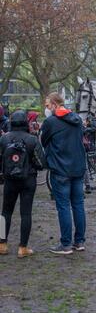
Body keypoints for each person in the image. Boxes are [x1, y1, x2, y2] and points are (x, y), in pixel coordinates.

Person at [41, 93, 87, 255]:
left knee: (63, 206)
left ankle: (66, 244)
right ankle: (80, 241)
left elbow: (43, 141)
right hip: (78, 167)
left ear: (54, 104)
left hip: (60, 169)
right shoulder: (76, 119)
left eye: (47, 105)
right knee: (78, 205)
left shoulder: (50, 122)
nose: (46, 108)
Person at [0, 110, 46, 258]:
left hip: (9, 180)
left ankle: (2, 244)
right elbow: (41, 163)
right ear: (26, 122)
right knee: (25, 213)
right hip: (28, 180)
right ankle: (22, 247)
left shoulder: (4, 139)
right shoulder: (32, 140)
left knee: (5, 213)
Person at [83, 116, 96, 194]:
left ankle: (87, 185)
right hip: (86, 139)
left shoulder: (92, 117)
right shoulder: (83, 116)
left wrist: (86, 128)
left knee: (85, 167)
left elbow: (94, 128)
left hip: (89, 141)